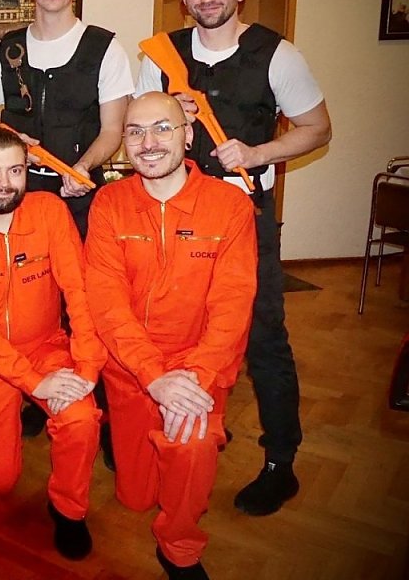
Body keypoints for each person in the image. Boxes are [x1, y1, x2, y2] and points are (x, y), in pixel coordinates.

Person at [136, 0, 331, 517]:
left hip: (244, 214)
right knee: (174, 323)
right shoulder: (162, 53)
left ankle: (280, 463)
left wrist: (258, 152)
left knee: (263, 335)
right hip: (175, 211)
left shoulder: (277, 53)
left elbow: (317, 128)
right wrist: (166, 116)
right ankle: (162, 432)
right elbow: (139, 125)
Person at [85, 92, 258, 580]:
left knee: (190, 444)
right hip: (130, 370)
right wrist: (152, 375)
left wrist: (194, 377)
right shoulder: (109, 203)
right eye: (135, 132)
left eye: (162, 128)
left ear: (187, 134)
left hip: (198, 369)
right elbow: (107, 303)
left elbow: (233, 305)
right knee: (136, 497)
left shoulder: (229, 206)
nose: (149, 143)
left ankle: (179, 546)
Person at [0, 126, 104, 561]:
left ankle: (69, 510)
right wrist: (33, 383)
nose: (4, 183)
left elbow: (79, 292)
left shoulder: (49, 211)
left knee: (81, 418)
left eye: (15, 170)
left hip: (46, 346)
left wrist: (86, 369)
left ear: (27, 171)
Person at [0, 0, 134, 239]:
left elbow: (112, 130)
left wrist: (84, 166)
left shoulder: (105, 49)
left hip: (79, 194)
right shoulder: (7, 48)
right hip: (17, 194)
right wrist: (12, 141)